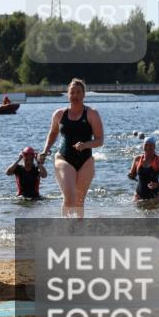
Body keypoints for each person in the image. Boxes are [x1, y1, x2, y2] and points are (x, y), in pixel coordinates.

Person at [37, 78, 104, 218]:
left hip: (86, 161)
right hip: (64, 158)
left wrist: (85, 144)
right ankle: (65, 230)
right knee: (70, 198)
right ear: (68, 95)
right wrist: (45, 150)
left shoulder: (92, 114)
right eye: (72, 92)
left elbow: (99, 140)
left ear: (84, 94)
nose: (75, 95)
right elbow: (53, 133)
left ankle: (79, 233)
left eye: (79, 92)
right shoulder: (59, 114)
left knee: (79, 202)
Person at [127, 137, 159, 202]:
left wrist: (158, 185)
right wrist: (130, 175)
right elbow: (132, 175)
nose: (147, 147)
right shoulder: (137, 159)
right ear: (143, 145)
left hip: (156, 195)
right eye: (146, 145)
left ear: (154, 146)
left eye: (150, 145)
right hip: (139, 194)